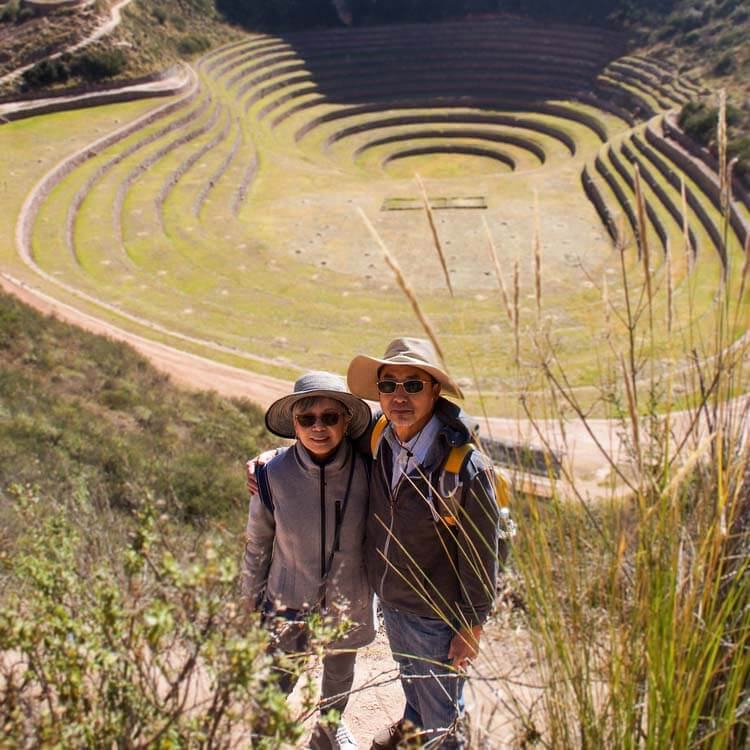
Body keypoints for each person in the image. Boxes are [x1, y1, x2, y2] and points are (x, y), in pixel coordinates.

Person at [346, 338, 500, 750]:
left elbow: (483, 556)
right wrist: (270, 461)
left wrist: (472, 624)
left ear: (434, 390)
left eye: (412, 385)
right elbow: (324, 443)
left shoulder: (464, 468)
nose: (399, 397)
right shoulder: (380, 435)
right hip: (393, 599)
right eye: (388, 385)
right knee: (412, 681)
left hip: (436, 615)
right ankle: (410, 734)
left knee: (444, 714)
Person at [241, 371, 376, 750]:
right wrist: (249, 598)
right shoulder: (271, 474)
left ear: (346, 421)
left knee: (338, 678)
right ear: (294, 424)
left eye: (330, 417)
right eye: (307, 419)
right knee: (274, 685)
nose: (319, 427)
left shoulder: (370, 469)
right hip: (287, 598)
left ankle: (328, 734)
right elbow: (257, 543)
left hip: (349, 600)